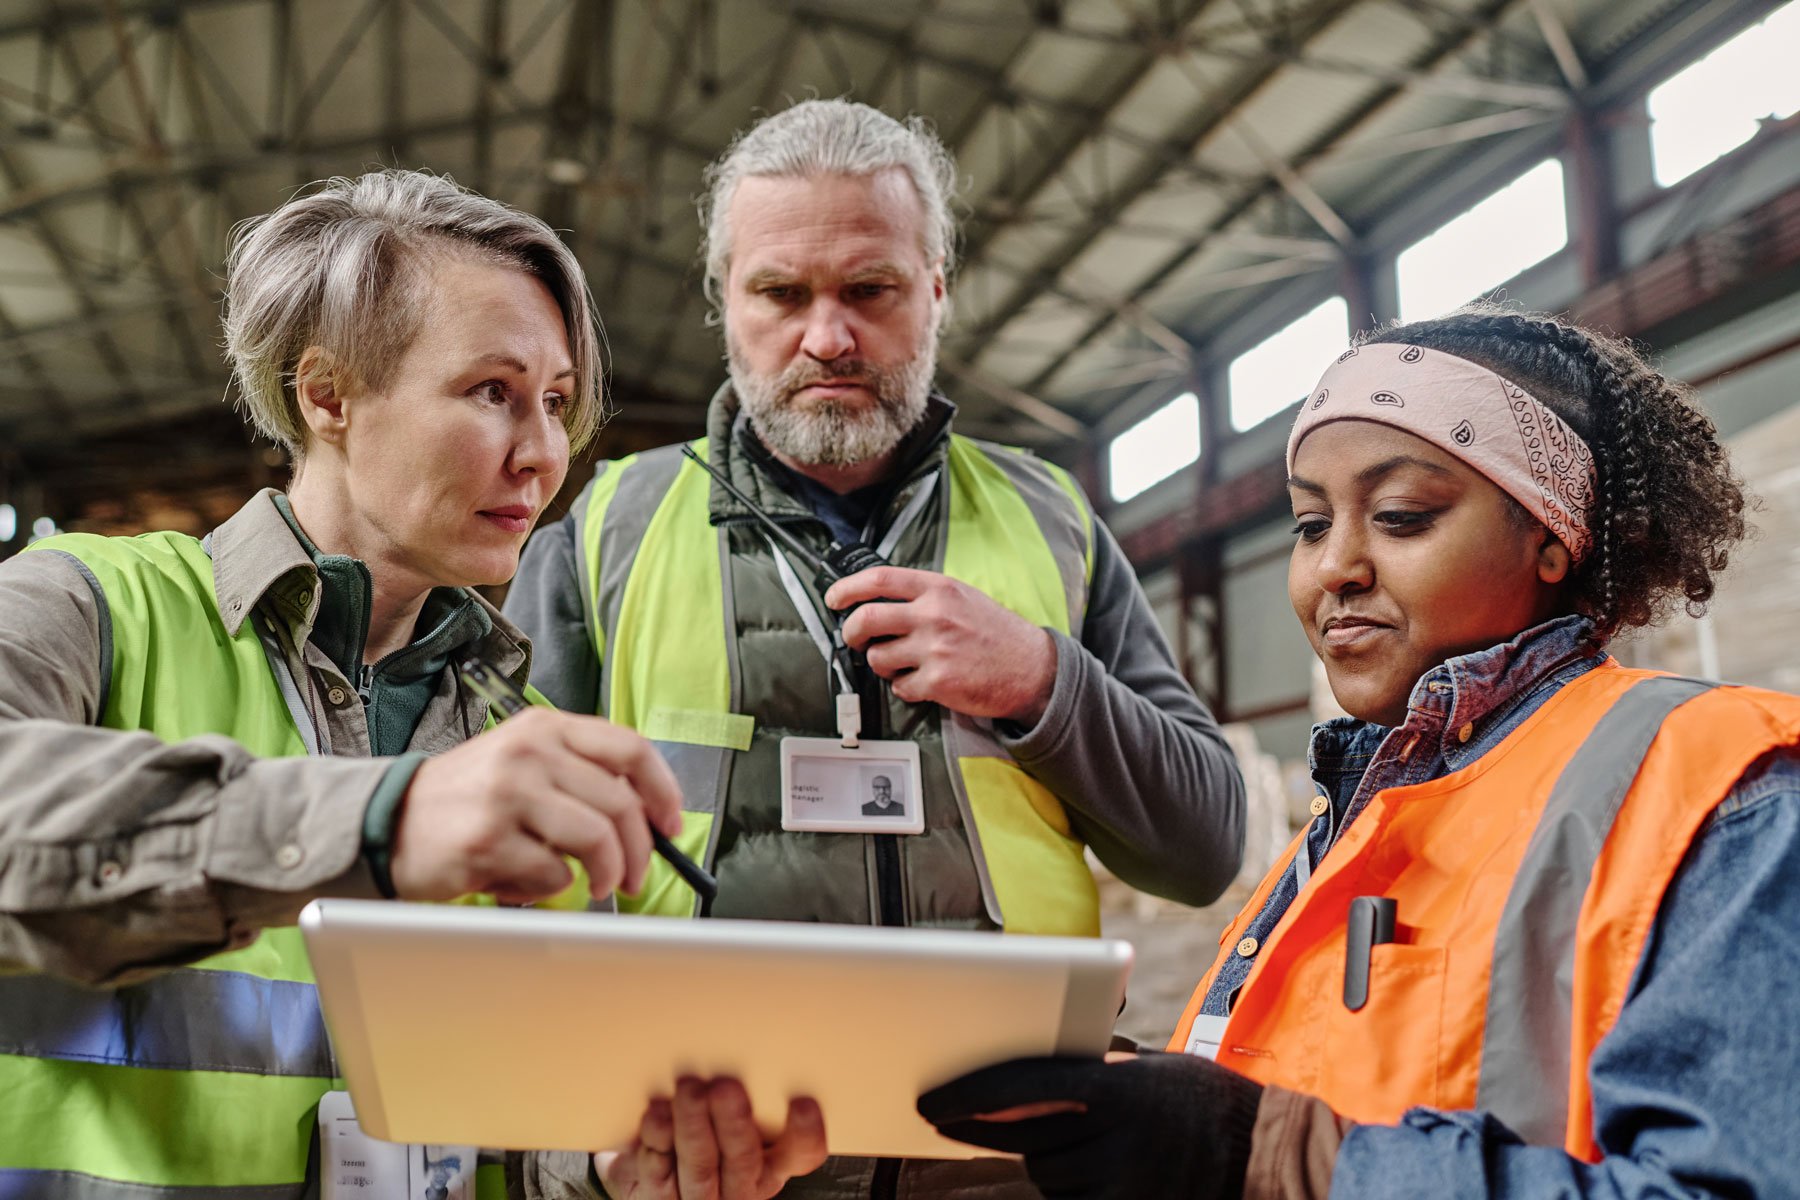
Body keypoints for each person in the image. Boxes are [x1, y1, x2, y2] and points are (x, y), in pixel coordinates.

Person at [504, 98, 1244, 1199]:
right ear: (725, 304)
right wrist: (575, 1167)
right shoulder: (605, 533)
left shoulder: (1051, 521)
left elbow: (1205, 845)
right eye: (781, 294)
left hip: (1010, 1171)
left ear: (935, 289)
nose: (828, 337)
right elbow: (501, 900)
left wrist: (1042, 681)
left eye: (870, 290)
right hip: (722, 1175)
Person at [915, 304, 1800, 1199]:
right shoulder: (1358, 815)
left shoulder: (1719, 792)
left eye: (1403, 515)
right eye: (1308, 525)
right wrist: (1157, 1105)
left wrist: (1252, 1155)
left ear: (1550, 538)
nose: (1334, 566)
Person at [0, 169, 682, 1199]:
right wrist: (377, 821)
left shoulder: (519, 741)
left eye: (555, 403)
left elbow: (518, 1102)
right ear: (326, 395)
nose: (544, 454)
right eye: (492, 392)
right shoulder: (92, 605)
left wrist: (600, 1164)